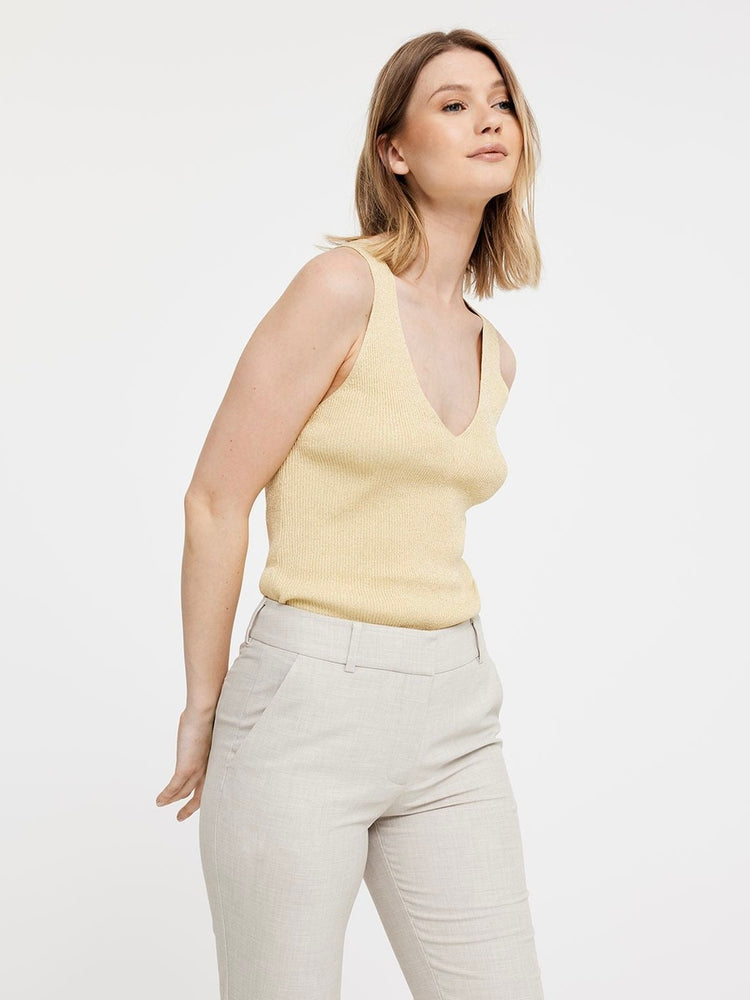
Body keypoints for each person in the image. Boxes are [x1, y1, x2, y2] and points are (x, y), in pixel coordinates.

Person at [156, 26, 545, 1000]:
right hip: (307, 706)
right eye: (453, 104)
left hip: (457, 711)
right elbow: (216, 498)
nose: (489, 119)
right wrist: (204, 704)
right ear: (395, 151)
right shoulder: (340, 291)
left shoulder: (496, 353)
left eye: (500, 101)